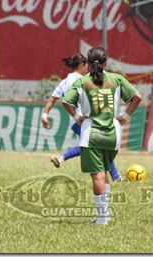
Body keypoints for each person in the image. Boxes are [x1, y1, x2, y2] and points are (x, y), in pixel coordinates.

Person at [62, 46, 142, 224]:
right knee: (104, 173)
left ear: (88, 64)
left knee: (97, 176)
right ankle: (103, 216)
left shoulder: (83, 81)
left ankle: (102, 218)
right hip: (114, 133)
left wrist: (77, 117)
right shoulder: (117, 79)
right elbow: (137, 96)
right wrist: (125, 117)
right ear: (106, 63)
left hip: (92, 133)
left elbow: (66, 101)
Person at [42, 54, 126, 182]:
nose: (88, 69)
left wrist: (45, 115)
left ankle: (115, 176)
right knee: (99, 146)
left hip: (74, 121)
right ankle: (115, 177)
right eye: (86, 67)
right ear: (81, 66)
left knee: (96, 146)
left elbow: (52, 99)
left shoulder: (64, 81)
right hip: (86, 119)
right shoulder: (84, 80)